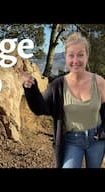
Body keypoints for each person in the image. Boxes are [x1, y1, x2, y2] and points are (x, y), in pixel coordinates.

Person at [20, 32, 105, 168]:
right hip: (72, 140)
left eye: (80, 55)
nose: (75, 60)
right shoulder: (58, 85)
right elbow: (40, 108)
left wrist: (103, 130)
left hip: (97, 140)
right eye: (71, 55)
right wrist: (31, 89)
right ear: (65, 57)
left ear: (87, 56)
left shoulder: (99, 82)